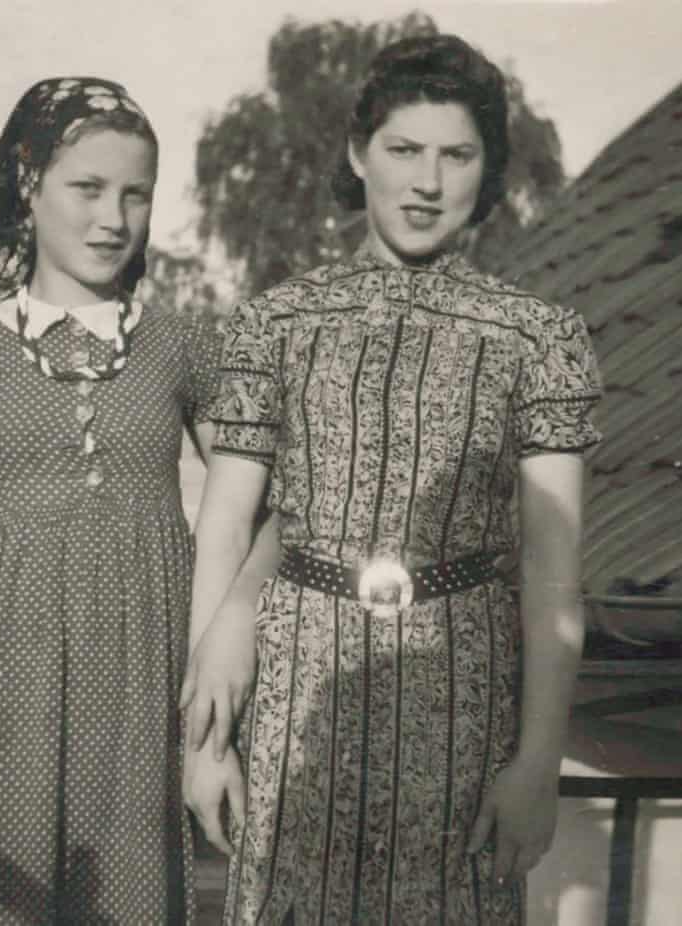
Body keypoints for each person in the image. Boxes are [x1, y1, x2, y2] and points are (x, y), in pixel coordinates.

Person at [181, 34, 603, 924]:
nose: (428, 182)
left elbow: (555, 575)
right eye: (404, 149)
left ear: (485, 171)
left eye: (458, 155)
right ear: (356, 153)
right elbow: (228, 523)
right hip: (298, 691)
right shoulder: (276, 324)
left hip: (465, 693)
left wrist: (538, 762)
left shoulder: (539, 339)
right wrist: (206, 741)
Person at [0, 77, 226, 924]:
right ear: (29, 186)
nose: (113, 218)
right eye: (87, 188)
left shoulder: (184, 352)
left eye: (136, 194)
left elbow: (250, 517)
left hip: (140, 711)